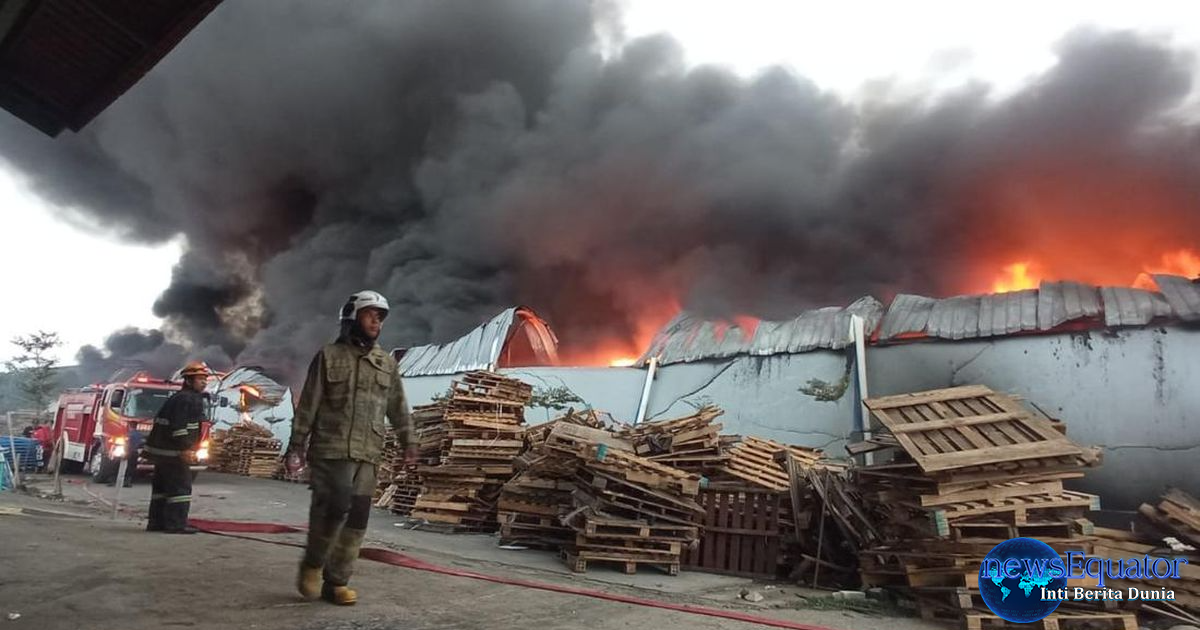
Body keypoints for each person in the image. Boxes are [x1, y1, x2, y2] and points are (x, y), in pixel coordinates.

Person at [285, 290, 416, 606]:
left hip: (367, 453)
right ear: (352, 317)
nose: (377, 321)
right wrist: (296, 445)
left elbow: (398, 406)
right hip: (331, 448)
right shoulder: (329, 356)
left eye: (381, 317)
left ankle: (337, 582)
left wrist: (408, 442)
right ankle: (314, 564)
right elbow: (309, 404)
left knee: (357, 518)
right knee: (334, 508)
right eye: (371, 314)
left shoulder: (385, 363)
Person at [143, 361, 210, 534]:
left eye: (205, 379)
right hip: (175, 454)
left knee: (162, 490)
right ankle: (176, 524)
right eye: (200, 379)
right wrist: (187, 448)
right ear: (188, 381)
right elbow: (180, 427)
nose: (204, 382)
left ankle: (156, 523)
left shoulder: (177, 398)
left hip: (163, 454)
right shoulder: (188, 399)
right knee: (181, 489)